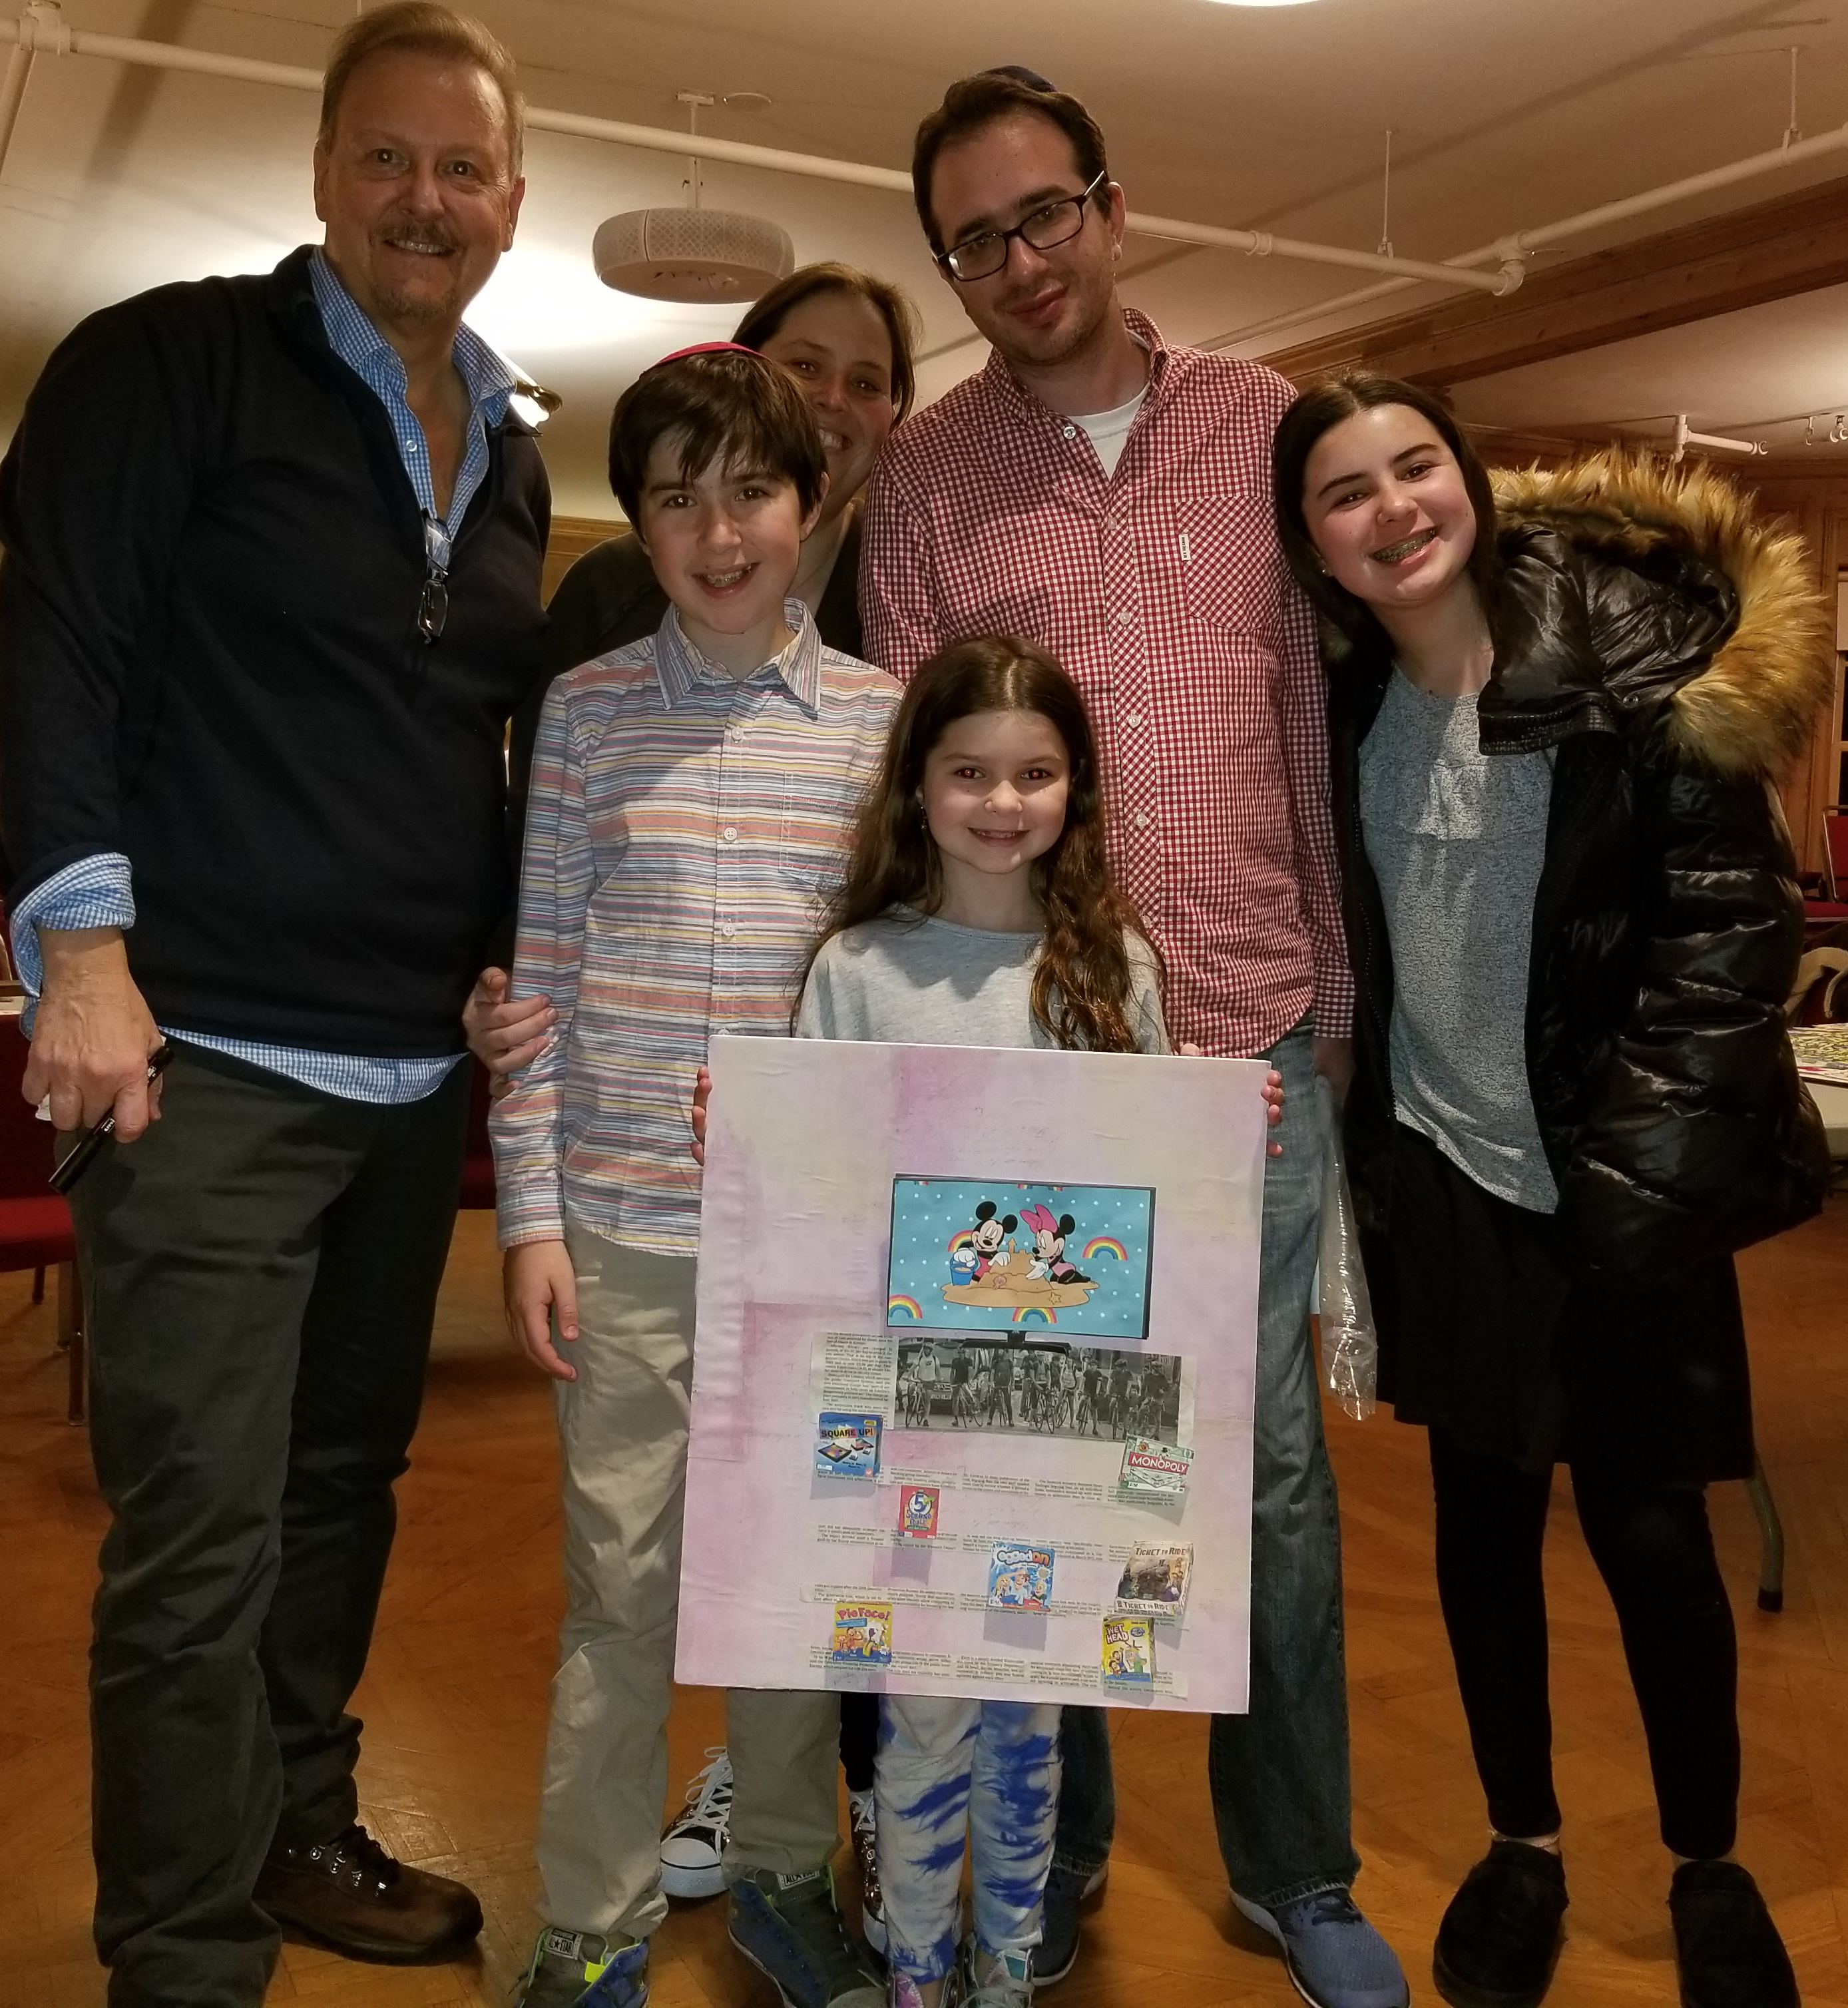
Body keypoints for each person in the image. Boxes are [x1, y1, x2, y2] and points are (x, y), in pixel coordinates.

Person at [0, 6, 545, 1997]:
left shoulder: (510, 453)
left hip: (414, 1084)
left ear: (512, 200)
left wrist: (507, 964)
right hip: (202, 1061)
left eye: (464, 167)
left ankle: (296, 1823)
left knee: (339, 1489)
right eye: (388, 158)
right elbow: (54, 647)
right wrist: (77, 957)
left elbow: (468, 744)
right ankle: (181, 1947)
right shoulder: (164, 364)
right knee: (200, 1534)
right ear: (323, 175)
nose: (426, 198)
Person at [859, 69, 1403, 2007]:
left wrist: (1338, 1023)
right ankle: (1053, 1840)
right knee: (1045, 1477)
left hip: (1248, 1039)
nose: (1017, 261)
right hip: (1037, 1061)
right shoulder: (924, 481)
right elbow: (902, 774)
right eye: (974, 239)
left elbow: (1324, 726)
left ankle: (1300, 1866)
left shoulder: (1271, 434)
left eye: (1043, 215)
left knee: (1261, 1487)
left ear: (1112, 205)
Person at [1272, 372, 1832, 2008]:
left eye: (1412, 466)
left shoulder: (1630, 673)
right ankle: (1522, 1839)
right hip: (1442, 1189)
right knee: (1476, 1534)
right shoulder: (1340, 699)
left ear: (1468, 479)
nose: (1389, 510)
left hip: (1620, 1190)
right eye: (1340, 492)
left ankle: (1706, 1859)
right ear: (1311, 542)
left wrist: (1626, 1191)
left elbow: (1728, 942)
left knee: (1655, 1540)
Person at [694, 632, 1281, 2005]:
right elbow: (819, 1189)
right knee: (915, 1706)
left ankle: (1003, 1967)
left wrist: (1215, 1117)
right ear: (917, 784)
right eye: (969, 771)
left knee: (1030, 1708)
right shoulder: (856, 965)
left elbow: (1145, 1177)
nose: (1001, 800)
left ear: (1074, 788)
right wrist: (755, 1134)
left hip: (1061, 1428)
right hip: (902, 1424)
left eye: (1033, 772)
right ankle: (913, 1967)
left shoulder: (1110, 963)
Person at [468, 264, 920, 1939]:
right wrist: (530, 1220)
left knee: (798, 1593)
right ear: (639, 531)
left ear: (808, 504)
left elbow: (914, 984)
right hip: (627, 1234)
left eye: (750, 492)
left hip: (816, 1250)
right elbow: (538, 999)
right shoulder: (580, 719)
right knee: (622, 1595)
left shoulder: (889, 731)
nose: (718, 533)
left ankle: (791, 1882)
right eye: (676, 502)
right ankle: (588, 1921)